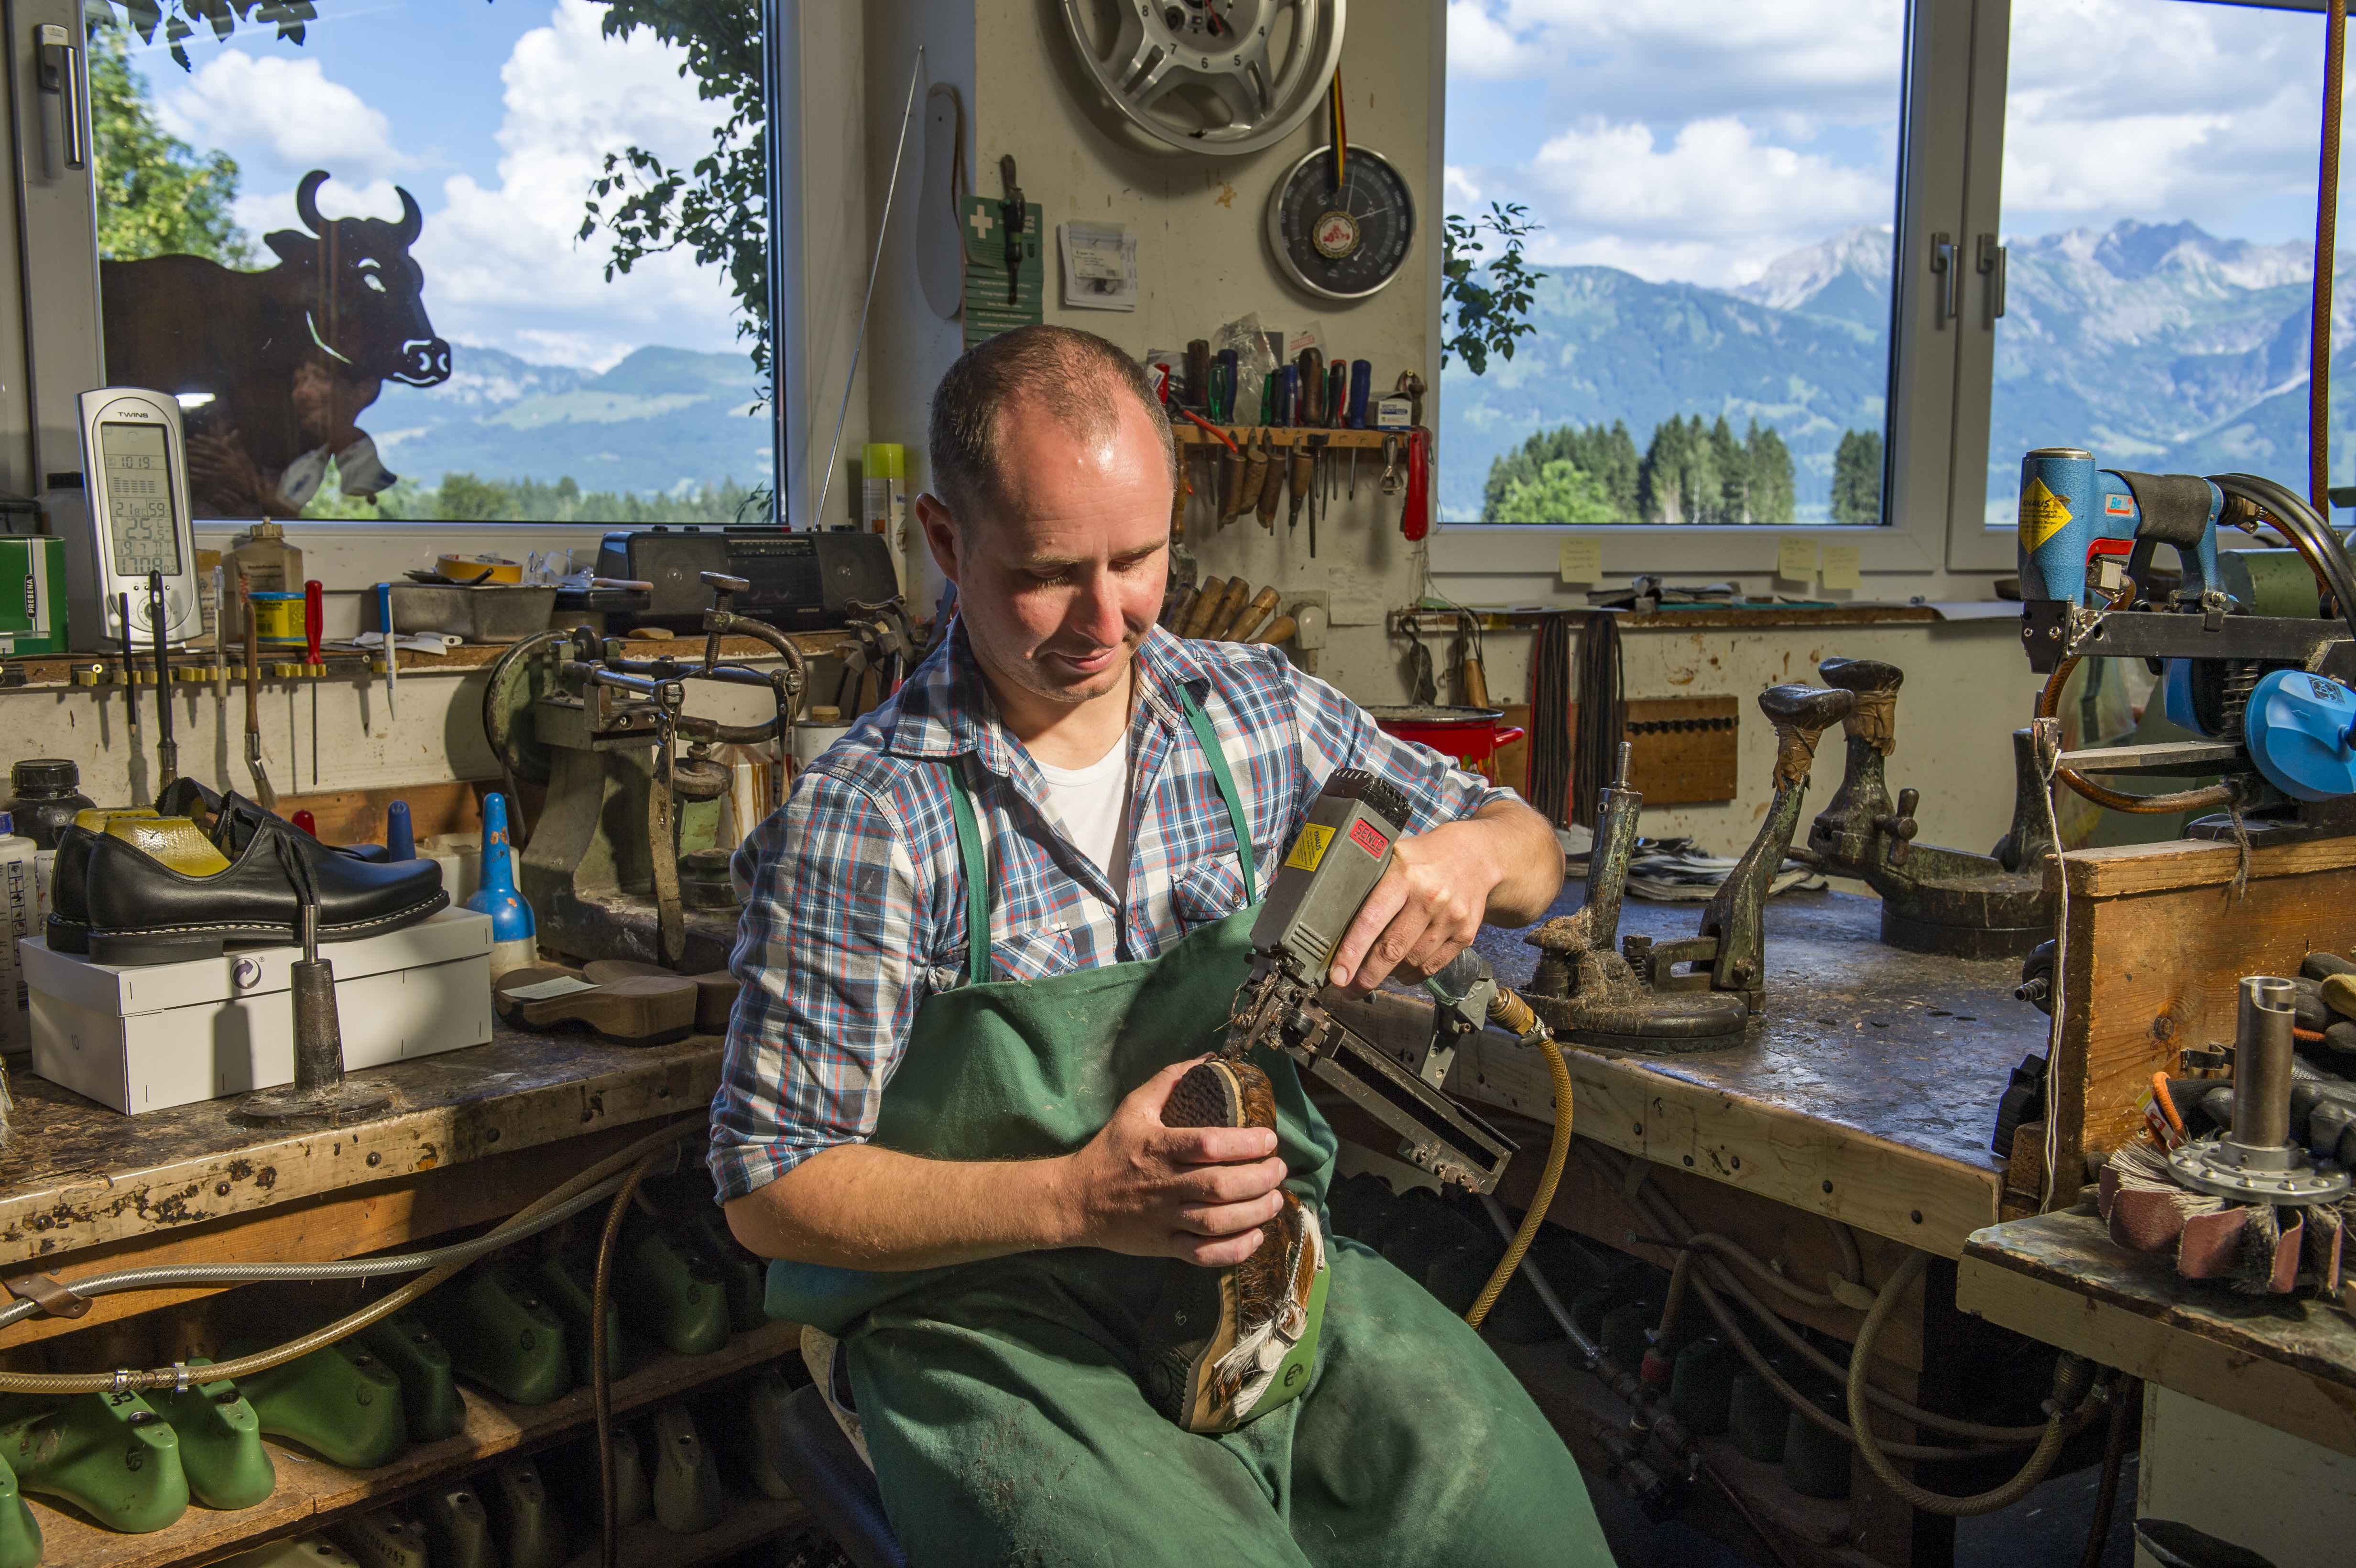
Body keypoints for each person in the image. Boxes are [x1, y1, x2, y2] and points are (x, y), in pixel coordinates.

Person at [714, 324, 1613, 1567]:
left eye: (1137, 559)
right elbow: (773, 1189)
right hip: (989, 1315)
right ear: (945, 543)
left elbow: (1533, 850)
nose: (1106, 618)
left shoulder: (1261, 715)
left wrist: (1466, 857)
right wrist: (1079, 1197)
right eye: (1048, 573)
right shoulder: (868, 821)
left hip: (1263, 1273)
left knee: (1515, 1514)